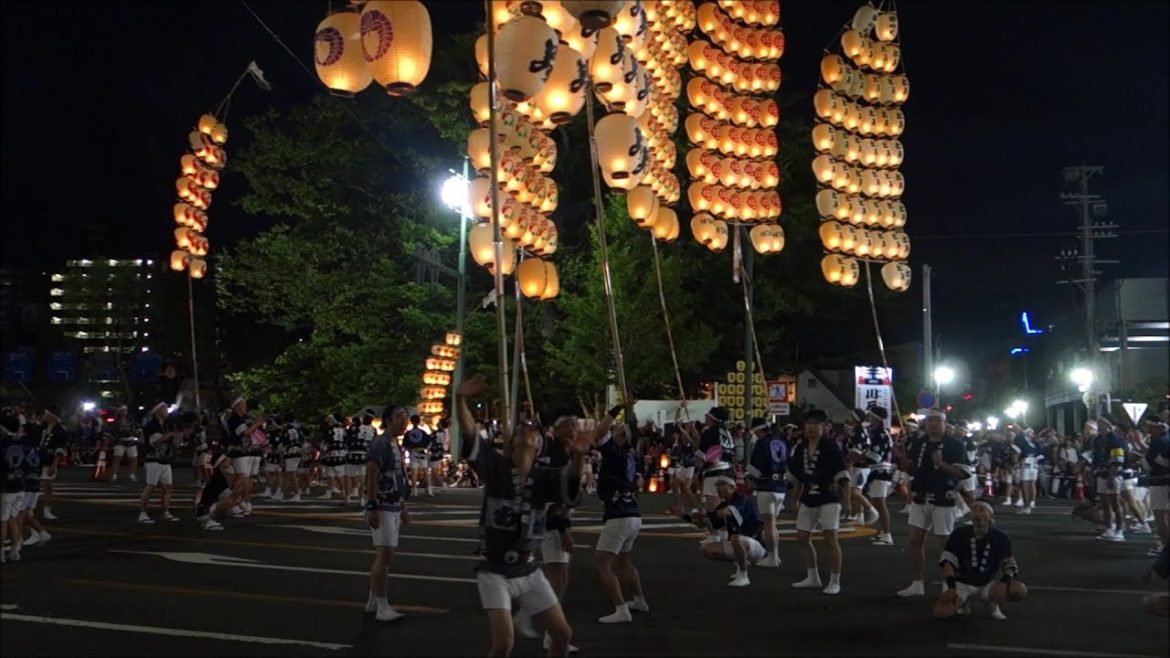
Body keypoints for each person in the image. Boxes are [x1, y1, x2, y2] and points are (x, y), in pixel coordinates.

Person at [456, 374, 589, 658]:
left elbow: (571, 489)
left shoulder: (544, 477)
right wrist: (460, 398)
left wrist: (579, 457)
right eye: (520, 432)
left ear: (539, 445)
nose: (525, 433)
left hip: (528, 569)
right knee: (504, 643)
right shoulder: (496, 469)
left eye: (531, 432)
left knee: (562, 634)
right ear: (511, 444)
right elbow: (470, 434)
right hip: (495, 570)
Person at [896, 408, 971, 598]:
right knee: (915, 540)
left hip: (943, 496)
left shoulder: (954, 444)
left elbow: (963, 473)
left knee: (944, 543)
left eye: (938, 420)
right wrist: (901, 457)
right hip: (920, 496)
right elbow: (910, 469)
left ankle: (949, 583)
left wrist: (941, 465)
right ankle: (917, 583)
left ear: (945, 424)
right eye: (930, 420)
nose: (933, 424)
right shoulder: (919, 442)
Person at [787, 409, 852, 595]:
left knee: (830, 539)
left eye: (816, 424)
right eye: (808, 423)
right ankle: (812, 576)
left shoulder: (831, 447)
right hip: (808, 496)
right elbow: (795, 478)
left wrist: (846, 500)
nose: (811, 427)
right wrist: (793, 500)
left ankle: (835, 580)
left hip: (829, 496)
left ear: (824, 427)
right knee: (802, 537)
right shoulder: (800, 447)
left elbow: (842, 476)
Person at [593, 412, 649, 624]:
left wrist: (615, 410)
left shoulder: (615, 452)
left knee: (602, 564)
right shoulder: (631, 456)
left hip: (619, 515)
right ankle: (639, 599)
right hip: (633, 512)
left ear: (622, 437)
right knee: (625, 561)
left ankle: (621, 609)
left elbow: (599, 432)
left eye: (618, 430)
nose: (614, 429)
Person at [933, 500, 1026, 620]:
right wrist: (951, 587)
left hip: (987, 582)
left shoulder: (1001, 537)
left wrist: (1003, 583)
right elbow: (948, 562)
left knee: (1019, 590)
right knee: (941, 612)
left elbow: (1009, 563)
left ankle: (993, 603)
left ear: (990, 516)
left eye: (982, 510)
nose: (977, 514)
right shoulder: (958, 534)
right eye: (974, 510)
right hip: (961, 582)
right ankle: (963, 601)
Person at [363, 405, 412, 622]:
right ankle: (382, 606)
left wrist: (403, 507)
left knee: (385, 556)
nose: (404, 421)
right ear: (388, 420)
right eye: (400, 417)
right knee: (384, 557)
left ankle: (374, 600)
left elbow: (397, 477)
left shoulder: (394, 443)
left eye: (406, 418)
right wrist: (371, 505)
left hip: (392, 504)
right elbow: (372, 473)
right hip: (382, 505)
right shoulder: (381, 443)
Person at [679, 475, 768, 586]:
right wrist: (684, 516)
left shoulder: (742, 500)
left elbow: (726, 512)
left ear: (732, 487)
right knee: (707, 549)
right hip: (741, 543)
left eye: (721, 485)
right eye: (717, 486)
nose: (718, 488)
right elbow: (705, 524)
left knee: (735, 537)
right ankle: (741, 561)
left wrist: (705, 513)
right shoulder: (724, 504)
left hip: (756, 545)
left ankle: (743, 576)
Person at [745, 417, 787, 566]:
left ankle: (772, 557)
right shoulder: (781, 441)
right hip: (781, 485)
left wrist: (750, 480)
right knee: (773, 523)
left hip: (766, 485)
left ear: (758, 430)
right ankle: (776, 555)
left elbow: (755, 467)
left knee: (768, 524)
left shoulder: (762, 443)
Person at [694, 407, 735, 546]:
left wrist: (698, 470)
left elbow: (701, 455)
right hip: (728, 470)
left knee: (713, 505)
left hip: (714, 471)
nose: (705, 418)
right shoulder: (726, 433)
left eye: (707, 416)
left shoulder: (710, 432)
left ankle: (716, 534)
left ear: (712, 418)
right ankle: (724, 533)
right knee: (723, 504)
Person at [138, 403, 181, 524]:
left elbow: (171, 441)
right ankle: (143, 513)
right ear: (158, 411)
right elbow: (155, 442)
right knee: (150, 487)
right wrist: (170, 435)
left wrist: (176, 440)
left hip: (166, 459)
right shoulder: (151, 425)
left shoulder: (167, 425)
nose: (167, 411)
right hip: (154, 459)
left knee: (168, 487)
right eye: (165, 409)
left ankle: (166, 512)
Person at [1091, 417, 1129, 542]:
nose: (1099, 425)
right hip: (1101, 473)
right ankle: (1109, 528)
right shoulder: (1098, 439)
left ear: (1108, 424)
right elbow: (1096, 457)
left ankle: (1119, 530)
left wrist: (1112, 476)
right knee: (1105, 503)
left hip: (1113, 474)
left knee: (1115, 503)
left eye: (1101, 423)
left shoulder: (1115, 440)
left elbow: (1118, 460)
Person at [224, 398, 264, 515]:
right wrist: (256, 424)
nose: (245, 406)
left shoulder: (243, 418)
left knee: (243, 478)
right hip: (239, 451)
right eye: (242, 404)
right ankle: (231, 503)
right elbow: (244, 432)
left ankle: (238, 502)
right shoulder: (234, 419)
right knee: (241, 477)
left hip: (246, 450)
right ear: (236, 406)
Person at [193, 438, 239, 531]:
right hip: (209, 479)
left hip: (212, 477)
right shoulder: (207, 461)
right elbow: (202, 464)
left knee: (230, 498)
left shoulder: (214, 471)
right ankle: (206, 515)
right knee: (209, 499)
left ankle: (207, 513)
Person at [1142, 415, 1169, 557]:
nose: (1148, 430)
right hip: (1163, 481)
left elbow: (1157, 463)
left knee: (1160, 516)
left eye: (1150, 427)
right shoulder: (1164, 439)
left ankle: (1165, 547)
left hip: (1160, 482)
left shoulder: (1160, 442)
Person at [37, 407, 68, 522]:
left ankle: (47, 510)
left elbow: (60, 448)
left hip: (49, 461)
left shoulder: (60, 430)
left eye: (46, 414)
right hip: (37, 460)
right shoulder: (42, 427)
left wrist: (54, 465)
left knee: (48, 487)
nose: (44, 416)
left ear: (52, 416)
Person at [1011, 427, 1041, 514]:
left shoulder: (1020, 439)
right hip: (1034, 464)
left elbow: (1016, 453)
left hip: (1026, 463)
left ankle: (1027, 506)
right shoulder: (1035, 442)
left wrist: (1014, 464)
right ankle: (1030, 504)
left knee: (1024, 486)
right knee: (1031, 485)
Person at [318, 414, 348, 500]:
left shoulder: (329, 430)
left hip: (331, 453)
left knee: (333, 474)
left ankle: (341, 492)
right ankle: (332, 492)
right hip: (341, 454)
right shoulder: (343, 430)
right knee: (336, 474)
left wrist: (322, 453)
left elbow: (325, 442)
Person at [108, 405, 140, 483]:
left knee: (133, 459)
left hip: (131, 440)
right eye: (122, 410)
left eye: (125, 410)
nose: (124, 412)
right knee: (117, 458)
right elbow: (111, 432)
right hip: (120, 441)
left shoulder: (131, 420)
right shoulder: (115, 421)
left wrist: (139, 436)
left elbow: (138, 428)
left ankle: (132, 475)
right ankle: (114, 475)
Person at [402, 415, 432, 497]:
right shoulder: (423, 432)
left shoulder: (408, 433)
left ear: (411, 422)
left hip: (413, 453)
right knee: (426, 472)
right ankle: (429, 490)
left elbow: (404, 446)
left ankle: (414, 491)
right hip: (422, 453)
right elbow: (428, 444)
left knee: (414, 472)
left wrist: (408, 451)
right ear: (419, 421)